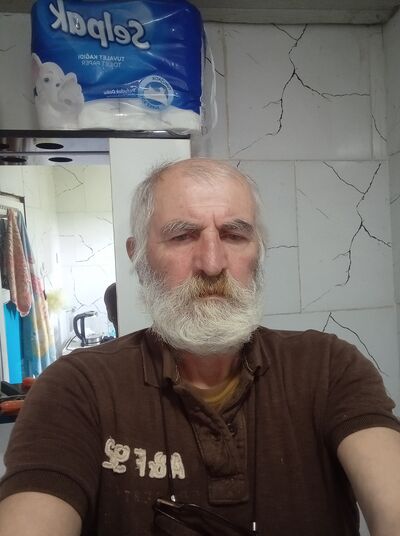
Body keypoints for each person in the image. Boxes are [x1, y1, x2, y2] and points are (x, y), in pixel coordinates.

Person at [0, 158, 399, 536]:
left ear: (258, 253)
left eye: (234, 235)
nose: (212, 263)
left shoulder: (328, 367)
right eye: (182, 236)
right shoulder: (76, 388)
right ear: (138, 256)